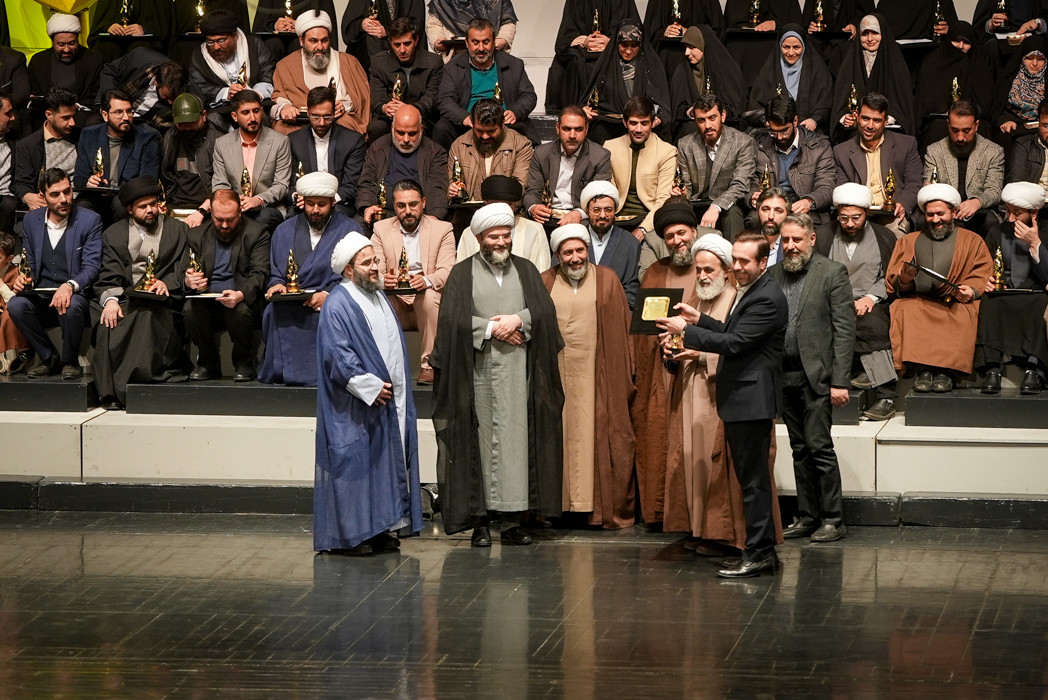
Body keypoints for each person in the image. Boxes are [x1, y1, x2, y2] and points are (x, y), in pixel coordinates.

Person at [656, 231, 788, 578]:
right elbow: (730, 331)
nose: (738, 267)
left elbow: (736, 342)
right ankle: (762, 552)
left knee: (754, 483)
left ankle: (759, 553)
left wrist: (685, 331)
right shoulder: (753, 290)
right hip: (743, 400)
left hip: (751, 401)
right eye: (736, 260)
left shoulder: (766, 297)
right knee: (750, 481)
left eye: (745, 261)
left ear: (763, 262)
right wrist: (700, 320)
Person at [431, 202, 564, 546]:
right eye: (494, 236)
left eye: (506, 235)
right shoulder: (462, 273)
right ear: (479, 238)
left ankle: (512, 523)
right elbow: (450, 322)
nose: (502, 241)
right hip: (476, 375)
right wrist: (491, 329)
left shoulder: (527, 270)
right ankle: (479, 523)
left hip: (521, 375)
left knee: (517, 445)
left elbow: (545, 313)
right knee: (478, 445)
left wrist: (518, 320)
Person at [314, 228, 424, 555]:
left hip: (387, 400)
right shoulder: (338, 303)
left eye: (375, 260)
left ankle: (377, 529)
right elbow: (337, 354)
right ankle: (348, 538)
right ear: (349, 270)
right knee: (353, 466)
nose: (375, 267)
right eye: (366, 263)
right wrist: (369, 386)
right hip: (355, 402)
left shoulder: (378, 297)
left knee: (381, 465)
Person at [541, 223, 636, 528]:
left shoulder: (607, 279)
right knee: (559, 436)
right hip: (556, 377)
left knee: (595, 433)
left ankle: (593, 508)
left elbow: (621, 329)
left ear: (587, 250)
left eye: (580, 250)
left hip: (598, 373)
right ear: (558, 255)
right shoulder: (544, 281)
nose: (575, 257)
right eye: (567, 252)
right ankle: (558, 507)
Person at [769, 213, 854, 543]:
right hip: (783, 375)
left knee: (819, 447)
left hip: (816, 377)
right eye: (786, 240)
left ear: (812, 239)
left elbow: (844, 330)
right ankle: (807, 516)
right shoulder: (772, 275)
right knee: (799, 449)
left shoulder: (832, 273)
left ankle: (833, 518)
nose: (791, 246)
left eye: (797, 240)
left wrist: (840, 381)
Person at [631, 200, 706, 526]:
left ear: (694, 232)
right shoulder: (655, 272)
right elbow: (645, 327)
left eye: (682, 233)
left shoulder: (711, 267)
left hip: (702, 368)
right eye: (670, 236)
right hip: (663, 371)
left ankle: (698, 515)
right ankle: (663, 512)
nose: (677, 241)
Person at [884, 184, 994, 393]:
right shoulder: (908, 241)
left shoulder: (972, 240)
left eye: (941, 214)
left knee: (962, 313)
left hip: (955, 301)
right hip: (920, 299)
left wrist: (971, 290)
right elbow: (894, 282)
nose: (935, 220)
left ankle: (946, 372)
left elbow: (983, 272)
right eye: (930, 215)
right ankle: (923, 370)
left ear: (953, 212)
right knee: (906, 308)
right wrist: (904, 280)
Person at [92, 177, 190, 410]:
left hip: (162, 299)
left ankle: (133, 387)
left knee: (144, 315)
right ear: (129, 209)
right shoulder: (114, 234)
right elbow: (109, 273)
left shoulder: (178, 229)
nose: (150, 210)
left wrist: (167, 283)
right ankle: (109, 392)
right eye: (143, 207)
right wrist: (111, 300)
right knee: (107, 320)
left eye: (153, 204)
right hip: (126, 295)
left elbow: (184, 267)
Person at [259, 172, 357, 387]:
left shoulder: (350, 229)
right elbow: (276, 272)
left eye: (322, 204)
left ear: (332, 202)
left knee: (332, 311)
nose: (315, 210)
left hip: (334, 299)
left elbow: (354, 274)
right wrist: (276, 285)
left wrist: (329, 294)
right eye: (310, 204)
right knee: (272, 311)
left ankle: (332, 374)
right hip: (293, 299)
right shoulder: (284, 230)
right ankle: (281, 372)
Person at [6, 169, 102, 380]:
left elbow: (92, 267)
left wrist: (70, 285)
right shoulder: (31, 220)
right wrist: (24, 277)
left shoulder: (89, 220)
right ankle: (49, 358)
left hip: (75, 295)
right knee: (16, 305)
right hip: (42, 294)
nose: (64, 199)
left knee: (71, 304)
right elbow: (29, 262)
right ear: (43, 196)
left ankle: (70, 361)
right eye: (55, 194)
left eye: (67, 192)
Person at [815, 183, 900, 421]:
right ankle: (861, 376)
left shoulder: (885, 237)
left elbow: (889, 276)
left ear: (866, 213)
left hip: (872, 301)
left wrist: (870, 298)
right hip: (832, 301)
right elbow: (816, 274)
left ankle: (886, 397)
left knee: (872, 324)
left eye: (856, 218)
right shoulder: (823, 235)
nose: (850, 224)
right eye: (844, 218)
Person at [369, 179, 456, 384]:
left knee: (430, 297)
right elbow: (373, 270)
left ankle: (429, 366)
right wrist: (383, 280)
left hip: (425, 298)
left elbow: (448, 270)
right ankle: (382, 367)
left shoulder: (443, 229)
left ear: (423, 203)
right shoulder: (381, 229)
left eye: (413, 204)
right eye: (401, 206)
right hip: (395, 298)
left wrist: (425, 280)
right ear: (394, 206)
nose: (408, 211)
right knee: (377, 299)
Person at [182, 189, 271, 382]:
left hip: (243, 299)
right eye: (219, 219)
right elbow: (183, 272)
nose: (224, 225)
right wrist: (189, 280)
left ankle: (244, 362)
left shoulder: (257, 233)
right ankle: (207, 362)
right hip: (208, 299)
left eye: (230, 219)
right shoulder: (196, 235)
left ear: (240, 213)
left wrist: (241, 294)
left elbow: (260, 273)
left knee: (240, 311)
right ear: (211, 214)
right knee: (190, 309)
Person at [976, 181, 1048, 396]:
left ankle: (1033, 369)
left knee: (1040, 303)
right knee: (989, 302)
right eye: (1008, 211)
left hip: (1035, 292)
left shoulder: (1046, 231)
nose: (1011, 218)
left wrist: (1035, 243)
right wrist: (987, 280)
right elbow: (984, 265)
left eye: (1017, 213)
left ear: (1034, 212)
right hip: (1005, 291)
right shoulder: (997, 231)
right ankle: (993, 369)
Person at [433, 18, 537, 149]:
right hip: (468, 125)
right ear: (467, 43)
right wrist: (464, 117)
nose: (481, 48)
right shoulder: (452, 67)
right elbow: (444, 100)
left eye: (486, 42)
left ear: (493, 42)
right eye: (475, 42)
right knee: (442, 128)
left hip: (505, 124)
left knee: (525, 134)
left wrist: (514, 112)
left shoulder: (514, 64)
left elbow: (528, 96)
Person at [833, 92, 923, 236]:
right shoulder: (841, 151)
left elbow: (914, 182)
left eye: (876, 120)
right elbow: (842, 188)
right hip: (858, 214)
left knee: (895, 233)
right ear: (857, 117)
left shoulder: (906, 145)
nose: (870, 125)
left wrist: (903, 204)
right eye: (865, 118)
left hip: (893, 215)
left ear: (886, 121)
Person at [271, 10, 371, 137]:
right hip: (300, 124)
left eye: (324, 40)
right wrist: (284, 107)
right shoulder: (285, 65)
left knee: (347, 131)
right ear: (301, 41)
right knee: (285, 131)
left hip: (337, 121)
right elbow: (279, 96)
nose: (320, 47)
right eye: (313, 41)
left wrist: (345, 105)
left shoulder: (349, 62)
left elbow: (362, 98)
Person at [674, 93, 757, 241]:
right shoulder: (685, 144)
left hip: (728, 206)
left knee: (732, 214)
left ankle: (736, 255)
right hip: (697, 205)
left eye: (712, 118)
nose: (707, 126)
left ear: (722, 116)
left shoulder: (743, 142)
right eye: (701, 120)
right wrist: (682, 193)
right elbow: (687, 185)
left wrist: (716, 207)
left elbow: (740, 185)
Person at [73, 89, 162, 220]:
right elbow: (79, 178)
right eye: (119, 112)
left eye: (129, 111)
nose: (126, 117)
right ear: (105, 115)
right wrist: (89, 182)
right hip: (98, 197)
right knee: (82, 205)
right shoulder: (89, 135)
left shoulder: (147, 137)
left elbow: (148, 180)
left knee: (120, 205)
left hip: (129, 197)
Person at [212, 90, 293, 234]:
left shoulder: (280, 142)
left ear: (262, 111)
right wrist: (234, 201)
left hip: (268, 207)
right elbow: (220, 183)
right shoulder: (222, 144)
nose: (252, 118)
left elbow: (282, 185)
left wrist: (258, 199)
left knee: (262, 218)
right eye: (245, 113)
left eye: (256, 111)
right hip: (236, 207)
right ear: (235, 116)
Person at [579, 21, 672, 145]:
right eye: (624, 45)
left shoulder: (652, 67)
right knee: (599, 131)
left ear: (640, 44)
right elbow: (588, 101)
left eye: (634, 45)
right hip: (610, 127)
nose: (628, 51)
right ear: (617, 43)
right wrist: (586, 111)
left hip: (642, 126)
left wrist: (659, 118)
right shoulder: (605, 66)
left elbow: (664, 107)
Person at [749, 94, 836, 227]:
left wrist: (809, 201)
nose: (779, 137)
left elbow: (827, 187)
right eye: (773, 132)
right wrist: (751, 197)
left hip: (803, 209)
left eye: (784, 131)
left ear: (795, 121)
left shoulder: (819, 147)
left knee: (807, 223)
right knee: (754, 219)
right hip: (771, 208)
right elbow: (749, 183)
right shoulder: (759, 145)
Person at [922, 99, 1004, 237]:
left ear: (976, 125)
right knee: (922, 221)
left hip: (978, 212)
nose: (960, 137)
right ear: (948, 124)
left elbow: (994, 191)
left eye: (966, 131)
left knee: (990, 221)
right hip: (945, 211)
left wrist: (977, 202)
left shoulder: (993, 151)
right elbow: (928, 185)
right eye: (955, 130)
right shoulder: (934, 151)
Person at [604, 96, 677, 249]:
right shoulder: (610, 147)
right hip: (616, 218)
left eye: (644, 123)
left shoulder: (667, 152)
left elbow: (663, 200)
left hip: (649, 219)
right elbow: (607, 192)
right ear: (625, 122)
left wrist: (642, 230)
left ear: (653, 123)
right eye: (633, 123)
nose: (638, 129)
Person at [523, 106, 612, 229]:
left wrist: (579, 213)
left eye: (578, 129)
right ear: (557, 128)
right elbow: (533, 191)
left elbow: (598, 197)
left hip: (581, 218)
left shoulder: (600, 156)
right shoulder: (541, 153)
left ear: (586, 129)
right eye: (567, 129)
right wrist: (533, 207)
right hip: (547, 216)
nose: (572, 135)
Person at [546, 0, 642, 114]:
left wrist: (611, 42)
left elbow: (632, 29)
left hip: (615, 48)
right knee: (565, 61)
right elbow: (567, 32)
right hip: (584, 49)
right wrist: (585, 41)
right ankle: (575, 111)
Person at [357, 105, 448, 223]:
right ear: (392, 128)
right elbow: (367, 183)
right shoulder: (378, 148)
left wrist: (435, 216)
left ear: (421, 129)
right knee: (358, 224)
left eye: (412, 133)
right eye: (400, 133)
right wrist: (367, 207)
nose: (406, 139)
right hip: (384, 213)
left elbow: (437, 188)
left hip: (419, 215)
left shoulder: (435, 152)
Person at [830, 15, 914, 143]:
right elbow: (840, 103)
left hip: (888, 129)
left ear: (883, 34)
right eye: (865, 34)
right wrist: (845, 117)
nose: (870, 39)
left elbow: (903, 107)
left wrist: (885, 119)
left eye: (875, 33)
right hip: (855, 130)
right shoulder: (850, 63)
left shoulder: (896, 64)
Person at [913, 21, 996, 149]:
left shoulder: (978, 65)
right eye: (956, 41)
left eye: (966, 43)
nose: (960, 46)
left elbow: (987, 104)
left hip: (971, 118)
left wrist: (966, 111)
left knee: (982, 127)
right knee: (938, 127)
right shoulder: (933, 62)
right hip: (939, 121)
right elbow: (924, 104)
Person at [288, 86, 366, 221]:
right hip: (305, 202)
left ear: (334, 112)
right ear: (308, 113)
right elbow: (290, 184)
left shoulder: (353, 141)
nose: (322, 123)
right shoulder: (294, 140)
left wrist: (329, 200)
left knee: (338, 216)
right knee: (293, 216)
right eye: (316, 117)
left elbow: (351, 185)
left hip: (338, 202)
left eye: (327, 117)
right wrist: (297, 196)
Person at [367, 18, 443, 142]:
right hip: (390, 117)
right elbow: (376, 96)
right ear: (390, 42)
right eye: (397, 45)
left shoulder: (433, 62)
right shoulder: (378, 62)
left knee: (433, 128)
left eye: (407, 44)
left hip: (422, 116)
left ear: (416, 41)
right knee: (376, 127)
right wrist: (385, 107)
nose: (402, 50)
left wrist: (407, 109)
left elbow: (432, 97)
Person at [747, 25, 833, 135]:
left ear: (804, 47)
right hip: (774, 132)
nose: (791, 53)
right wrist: (769, 121)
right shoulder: (768, 72)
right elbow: (755, 107)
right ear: (779, 46)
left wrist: (815, 120)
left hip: (808, 132)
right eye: (786, 47)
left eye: (796, 47)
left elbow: (826, 103)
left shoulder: (818, 71)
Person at [457, 175, 552, 271]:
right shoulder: (469, 233)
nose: (503, 210)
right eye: (497, 204)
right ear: (486, 204)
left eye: (508, 205)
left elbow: (542, 271)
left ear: (515, 206)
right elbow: (462, 272)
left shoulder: (534, 230)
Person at [447, 99, 533, 204]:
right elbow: (450, 185)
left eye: (491, 131)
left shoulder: (521, 145)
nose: (485, 136)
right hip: (467, 210)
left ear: (502, 124)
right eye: (479, 130)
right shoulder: (459, 145)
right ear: (472, 124)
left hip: (504, 210)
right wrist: (453, 191)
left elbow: (520, 189)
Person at [667, 25, 744, 141]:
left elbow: (733, 108)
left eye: (691, 47)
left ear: (703, 46)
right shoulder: (682, 71)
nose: (687, 52)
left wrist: (712, 113)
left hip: (722, 122)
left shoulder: (725, 69)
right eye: (685, 47)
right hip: (692, 124)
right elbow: (677, 108)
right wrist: (692, 111)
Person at [189, 9, 275, 112]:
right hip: (221, 109)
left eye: (221, 40)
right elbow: (199, 87)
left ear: (234, 36)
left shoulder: (255, 45)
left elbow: (269, 75)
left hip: (256, 106)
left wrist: (254, 95)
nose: (216, 47)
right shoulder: (199, 55)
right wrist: (226, 93)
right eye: (210, 41)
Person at [161, 93, 223, 228]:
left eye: (192, 122)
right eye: (182, 124)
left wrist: (203, 210)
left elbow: (223, 185)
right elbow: (166, 175)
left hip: (207, 206)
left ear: (204, 116)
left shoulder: (219, 141)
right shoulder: (170, 138)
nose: (187, 128)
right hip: (176, 205)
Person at [13, 88, 79, 212]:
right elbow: (22, 183)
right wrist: (27, 196)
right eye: (66, 118)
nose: (72, 123)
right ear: (49, 115)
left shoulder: (81, 138)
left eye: (73, 116)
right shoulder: (28, 145)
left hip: (77, 202)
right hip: (46, 204)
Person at [27, 14, 104, 116]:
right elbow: (34, 93)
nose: (66, 49)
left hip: (82, 114)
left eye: (72, 43)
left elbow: (96, 94)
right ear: (53, 42)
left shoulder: (93, 59)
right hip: (47, 113)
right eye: (61, 44)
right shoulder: (39, 61)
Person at [580, 180, 640, 308]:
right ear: (587, 211)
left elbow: (633, 289)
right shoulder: (573, 239)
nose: (603, 215)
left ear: (615, 211)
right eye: (596, 210)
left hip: (616, 311)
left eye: (608, 210)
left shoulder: (630, 243)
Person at [98, 50, 189, 133]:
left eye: (175, 98)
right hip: (118, 112)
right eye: (166, 96)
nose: (171, 102)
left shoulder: (187, 90)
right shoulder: (140, 58)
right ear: (156, 82)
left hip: (150, 128)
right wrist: (108, 100)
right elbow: (110, 70)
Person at [643, 0, 725, 77]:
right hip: (666, 58)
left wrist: (693, 33)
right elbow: (649, 31)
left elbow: (717, 28)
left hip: (695, 61)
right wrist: (663, 32)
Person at [342, 0, 426, 71]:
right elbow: (348, 32)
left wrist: (388, 32)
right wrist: (362, 24)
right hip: (369, 62)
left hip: (407, 60)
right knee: (371, 40)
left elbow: (416, 25)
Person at [993, 35, 1047, 144]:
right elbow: (995, 108)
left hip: (1041, 127)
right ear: (1022, 58)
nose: (1035, 64)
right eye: (1030, 58)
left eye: (1040, 59)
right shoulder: (1009, 78)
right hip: (1012, 126)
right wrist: (1004, 121)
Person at [427, 0, 518, 61]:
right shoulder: (441, 1)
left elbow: (508, 21)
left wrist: (503, 39)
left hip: (491, 53)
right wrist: (437, 41)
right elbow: (434, 24)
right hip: (454, 54)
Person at [87, 0, 169, 62]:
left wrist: (144, 29)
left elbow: (163, 24)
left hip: (144, 40)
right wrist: (108, 27)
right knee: (105, 49)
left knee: (140, 51)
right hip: (113, 40)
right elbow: (99, 24)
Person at [252, 0, 339, 58]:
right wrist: (275, 25)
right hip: (274, 41)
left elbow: (324, 21)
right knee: (273, 45)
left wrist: (301, 25)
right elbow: (260, 24)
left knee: (299, 46)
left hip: (304, 38)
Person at [0, 232, 31, 374]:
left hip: (7, 309)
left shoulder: (15, 273)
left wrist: (1, 286)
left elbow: (14, 298)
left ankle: (19, 353)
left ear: (9, 259)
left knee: (11, 313)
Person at [1006, 98, 1048, 187]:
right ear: (1038, 122)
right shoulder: (1024, 145)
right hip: (1032, 195)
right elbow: (1016, 183)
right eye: (1046, 126)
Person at [753, 187, 792, 267]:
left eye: (778, 211)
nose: (771, 216)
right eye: (765, 209)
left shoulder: (792, 247)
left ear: (787, 215)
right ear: (758, 211)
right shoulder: (748, 244)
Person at [0, 91, 14, 234]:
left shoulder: (15, 141)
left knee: (8, 204)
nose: (13, 117)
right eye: (8, 113)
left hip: (5, 198)